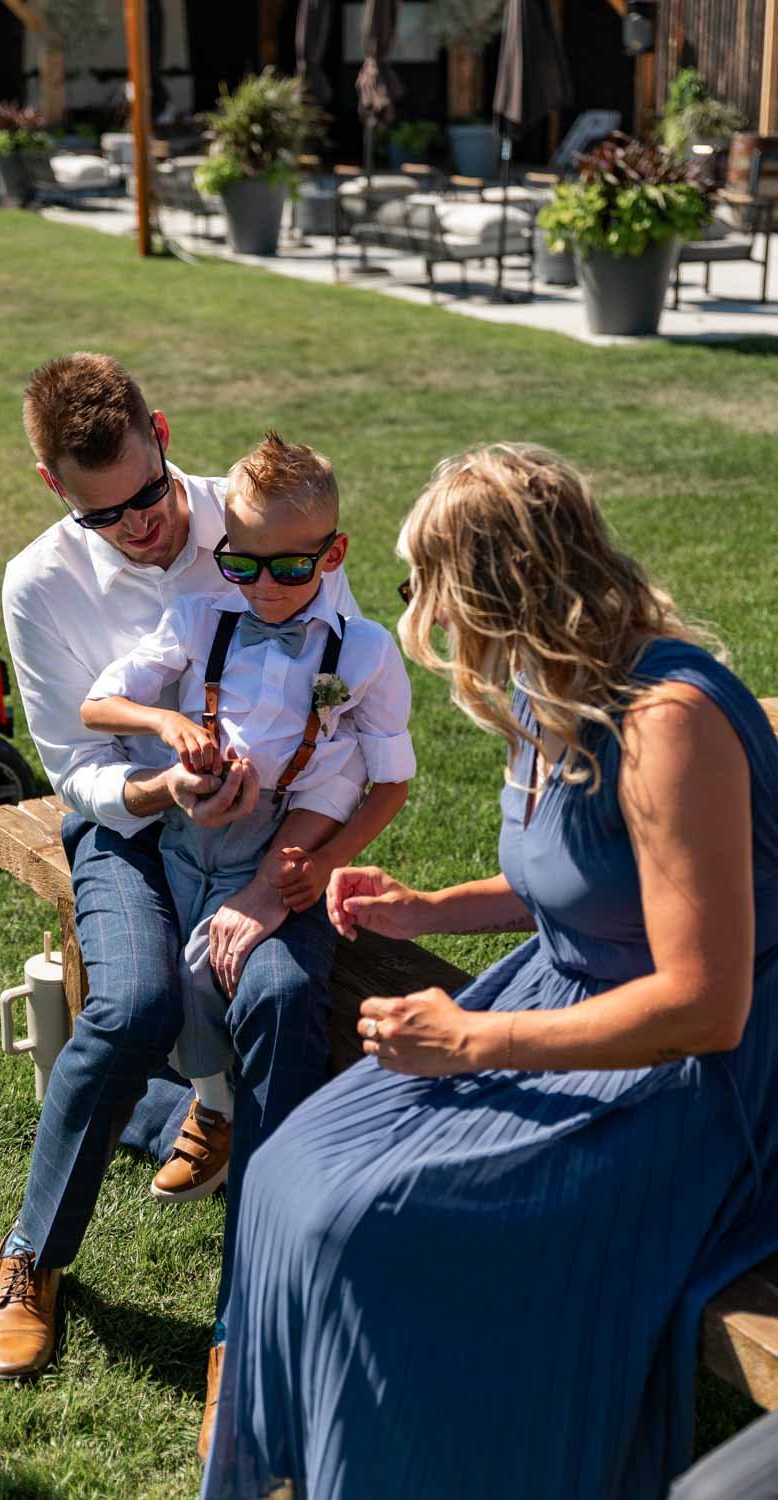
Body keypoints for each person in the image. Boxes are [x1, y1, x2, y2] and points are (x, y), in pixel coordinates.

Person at [201, 444, 778, 1498]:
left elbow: (703, 1005)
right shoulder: (545, 682)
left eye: (422, 583)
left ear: (496, 589)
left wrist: (471, 1041)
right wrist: (429, 910)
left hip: (688, 1073)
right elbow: (581, 882)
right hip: (566, 1007)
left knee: (360, 1226)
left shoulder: (666, 723)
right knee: (288, 1175)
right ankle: (317, 1464)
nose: (417, 608)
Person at [0, 356, 357, 1430]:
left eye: (150, 495)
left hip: (268, 837)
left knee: (279, 1001)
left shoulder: (255, 518)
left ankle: (250, 1326)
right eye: (106, 515)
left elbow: (340, 674)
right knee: (133, 1001)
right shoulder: (39, 584)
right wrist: (165, 783)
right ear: (55, 487)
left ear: (162, 431)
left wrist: (295, 792)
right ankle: (28, 1259)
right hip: (128, 826)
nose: (142, 526)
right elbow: (73, 769)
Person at [81, 431, 413, 1202]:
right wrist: (169, 729)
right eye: (243, 562)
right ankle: (207, 1096)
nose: (264, 589)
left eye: (291, 567)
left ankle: (226, 1113)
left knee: (210, 967)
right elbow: (97, 704)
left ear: (332, 556)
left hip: (274, 837)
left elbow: (388, 781)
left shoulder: (362, 653)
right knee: (159, 976)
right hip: (182, 828)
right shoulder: (202, 618)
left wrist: (323, 866)